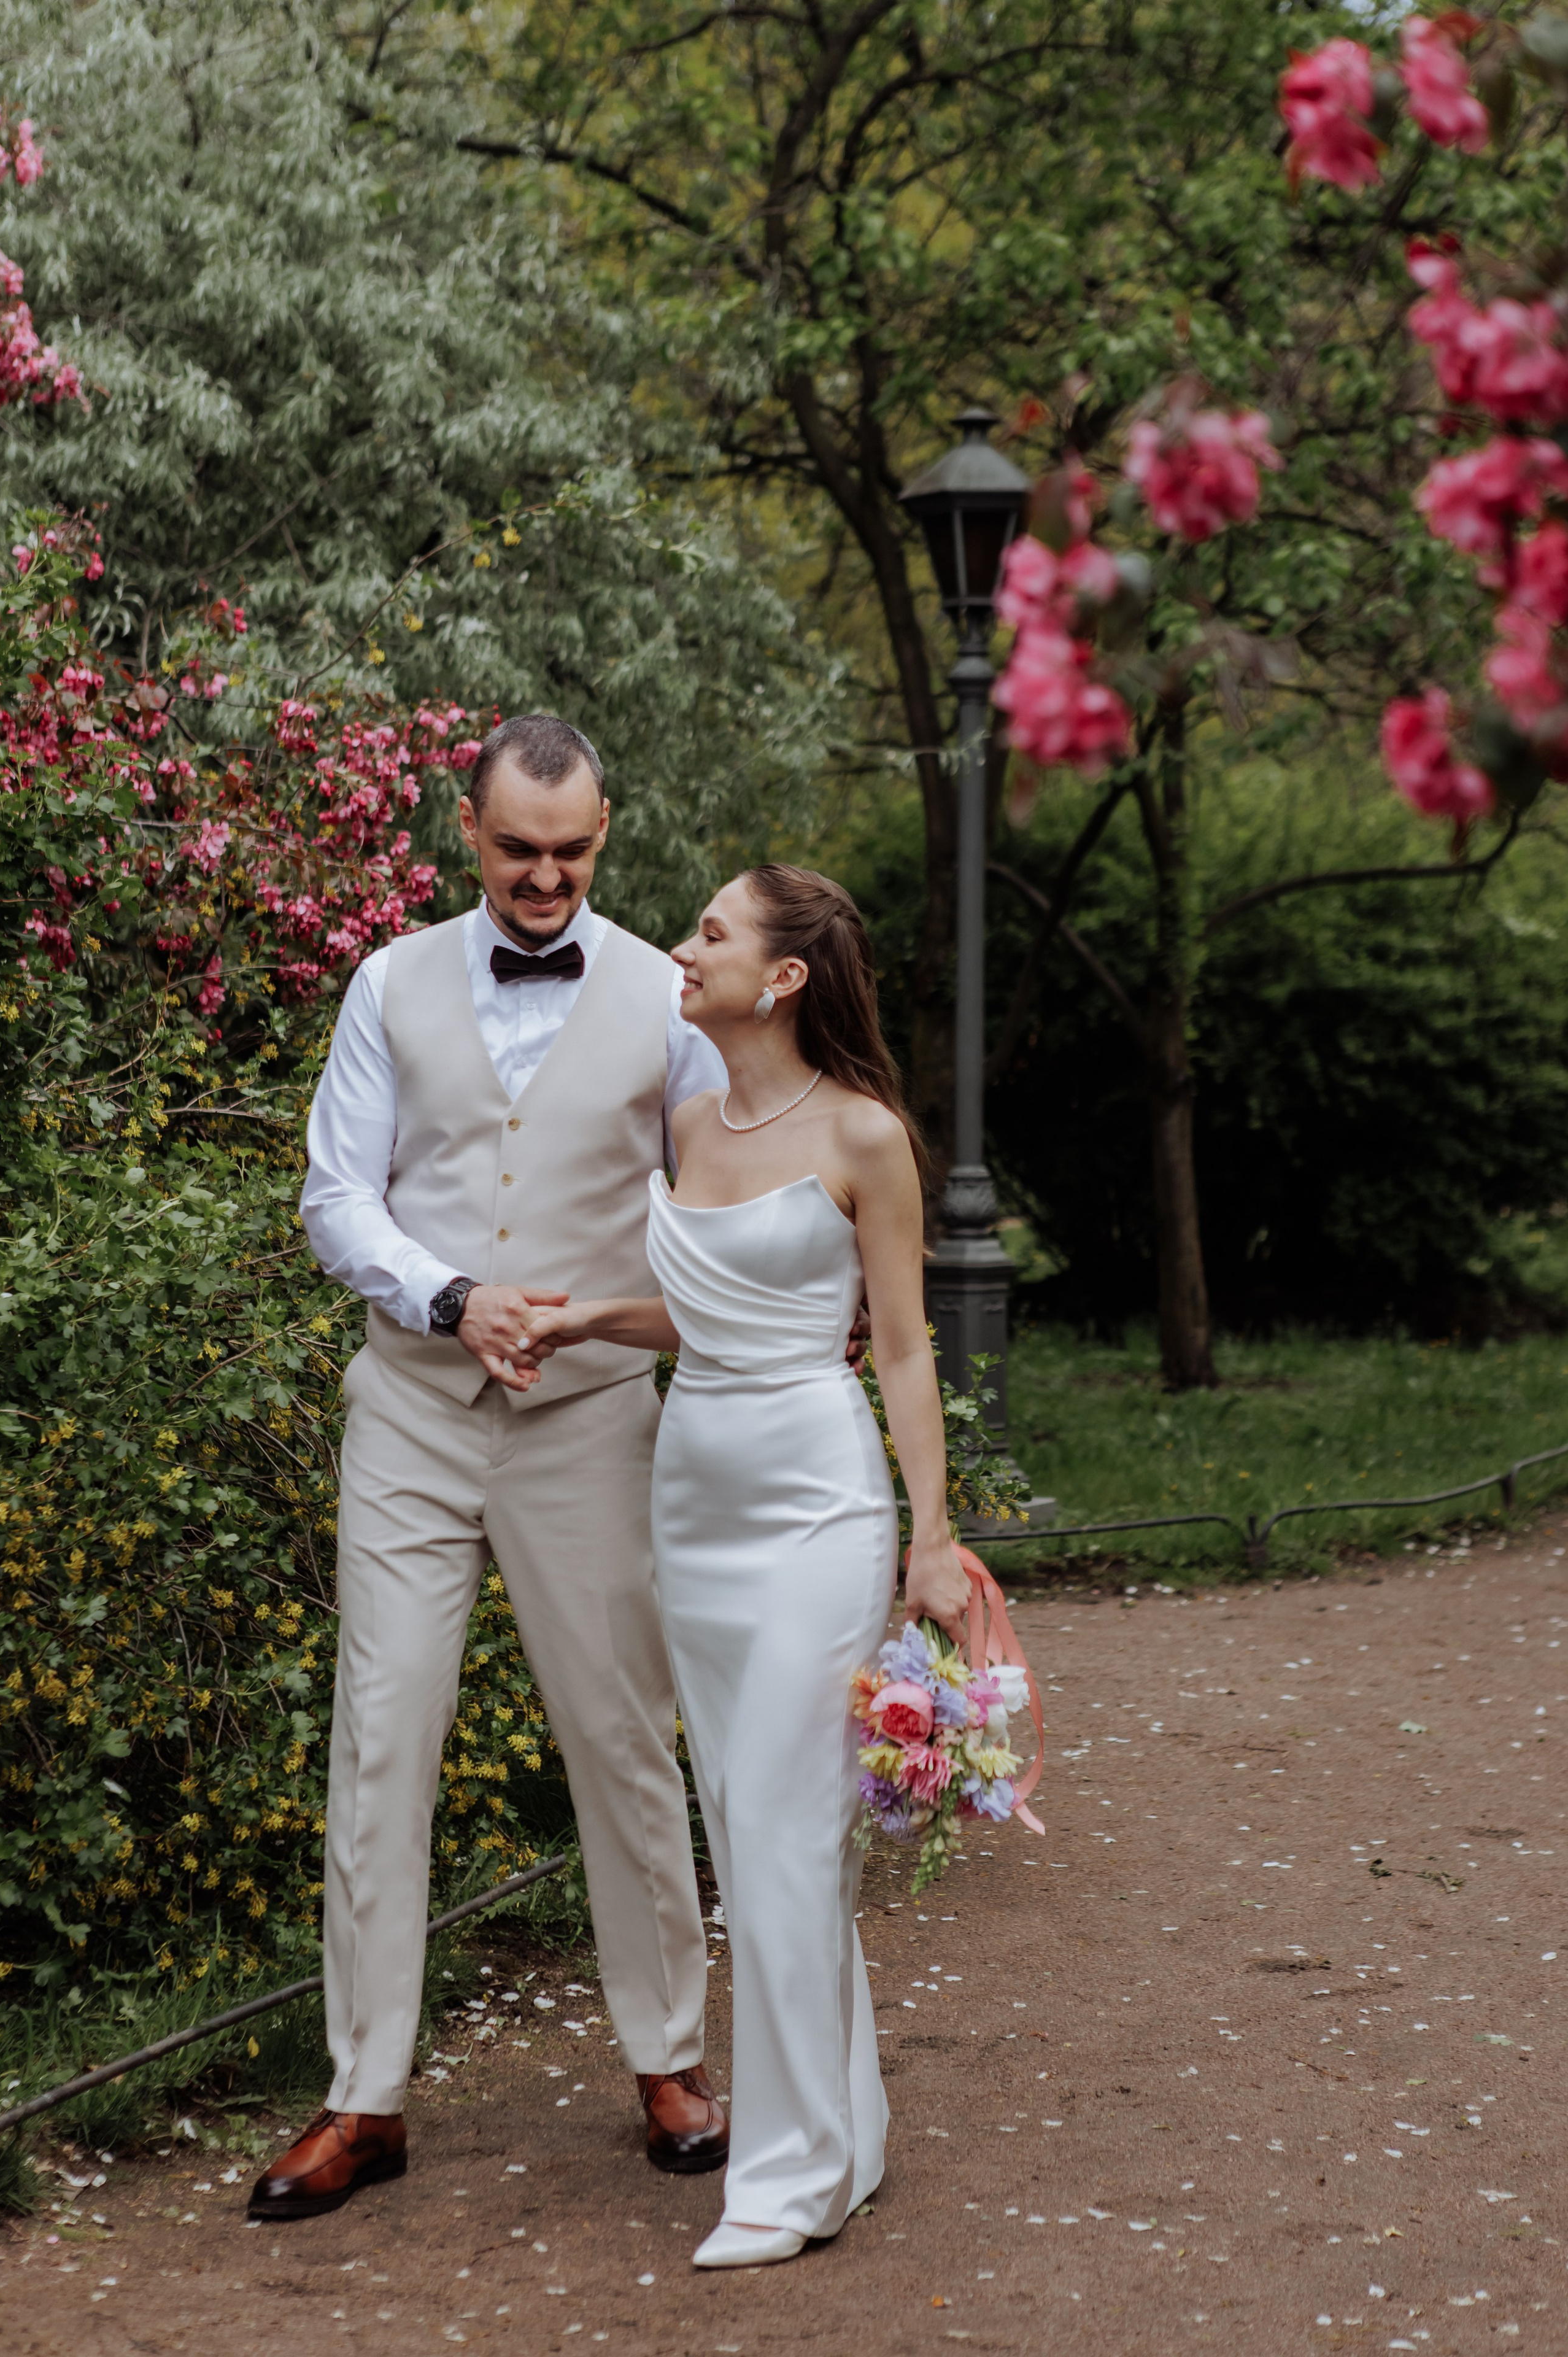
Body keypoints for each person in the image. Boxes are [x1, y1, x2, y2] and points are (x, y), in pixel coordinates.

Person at [249, 713, 736, 2223]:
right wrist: (451, 1298)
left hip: (590, 1420)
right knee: (381, 1739)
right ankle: (363, 2097)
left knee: (620, 1736)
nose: (543, 876)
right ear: (466, 829)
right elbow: (337, 1196)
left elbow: (715, 1207)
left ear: (605, 832)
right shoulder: (388, 982)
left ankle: (668, 2059)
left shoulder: (667, 996)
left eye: (570, 852)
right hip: (412, 1412)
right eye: (517, 849)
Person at [518, 863, 971, 2269]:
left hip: (815, 1509)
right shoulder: (690, 1123)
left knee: (779, 1836)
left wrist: (932, 1539)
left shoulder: (864, 1135)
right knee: (759, 1835)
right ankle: (849, 2132)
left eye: (709, 932)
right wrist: (585, 1317)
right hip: (694, 1509)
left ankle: (786, 2182)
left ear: (782, 977)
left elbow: (901, 1346)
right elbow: (706, 1311)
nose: (681, 947)